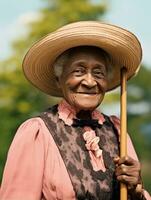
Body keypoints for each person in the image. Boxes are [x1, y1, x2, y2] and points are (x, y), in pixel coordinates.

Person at [0, 21, 150, 200]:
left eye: (98, 73)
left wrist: (136, 189)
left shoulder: (117, 130)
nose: (89, 82)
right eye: (79, 71)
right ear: (59, 79)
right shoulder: (37, 132)